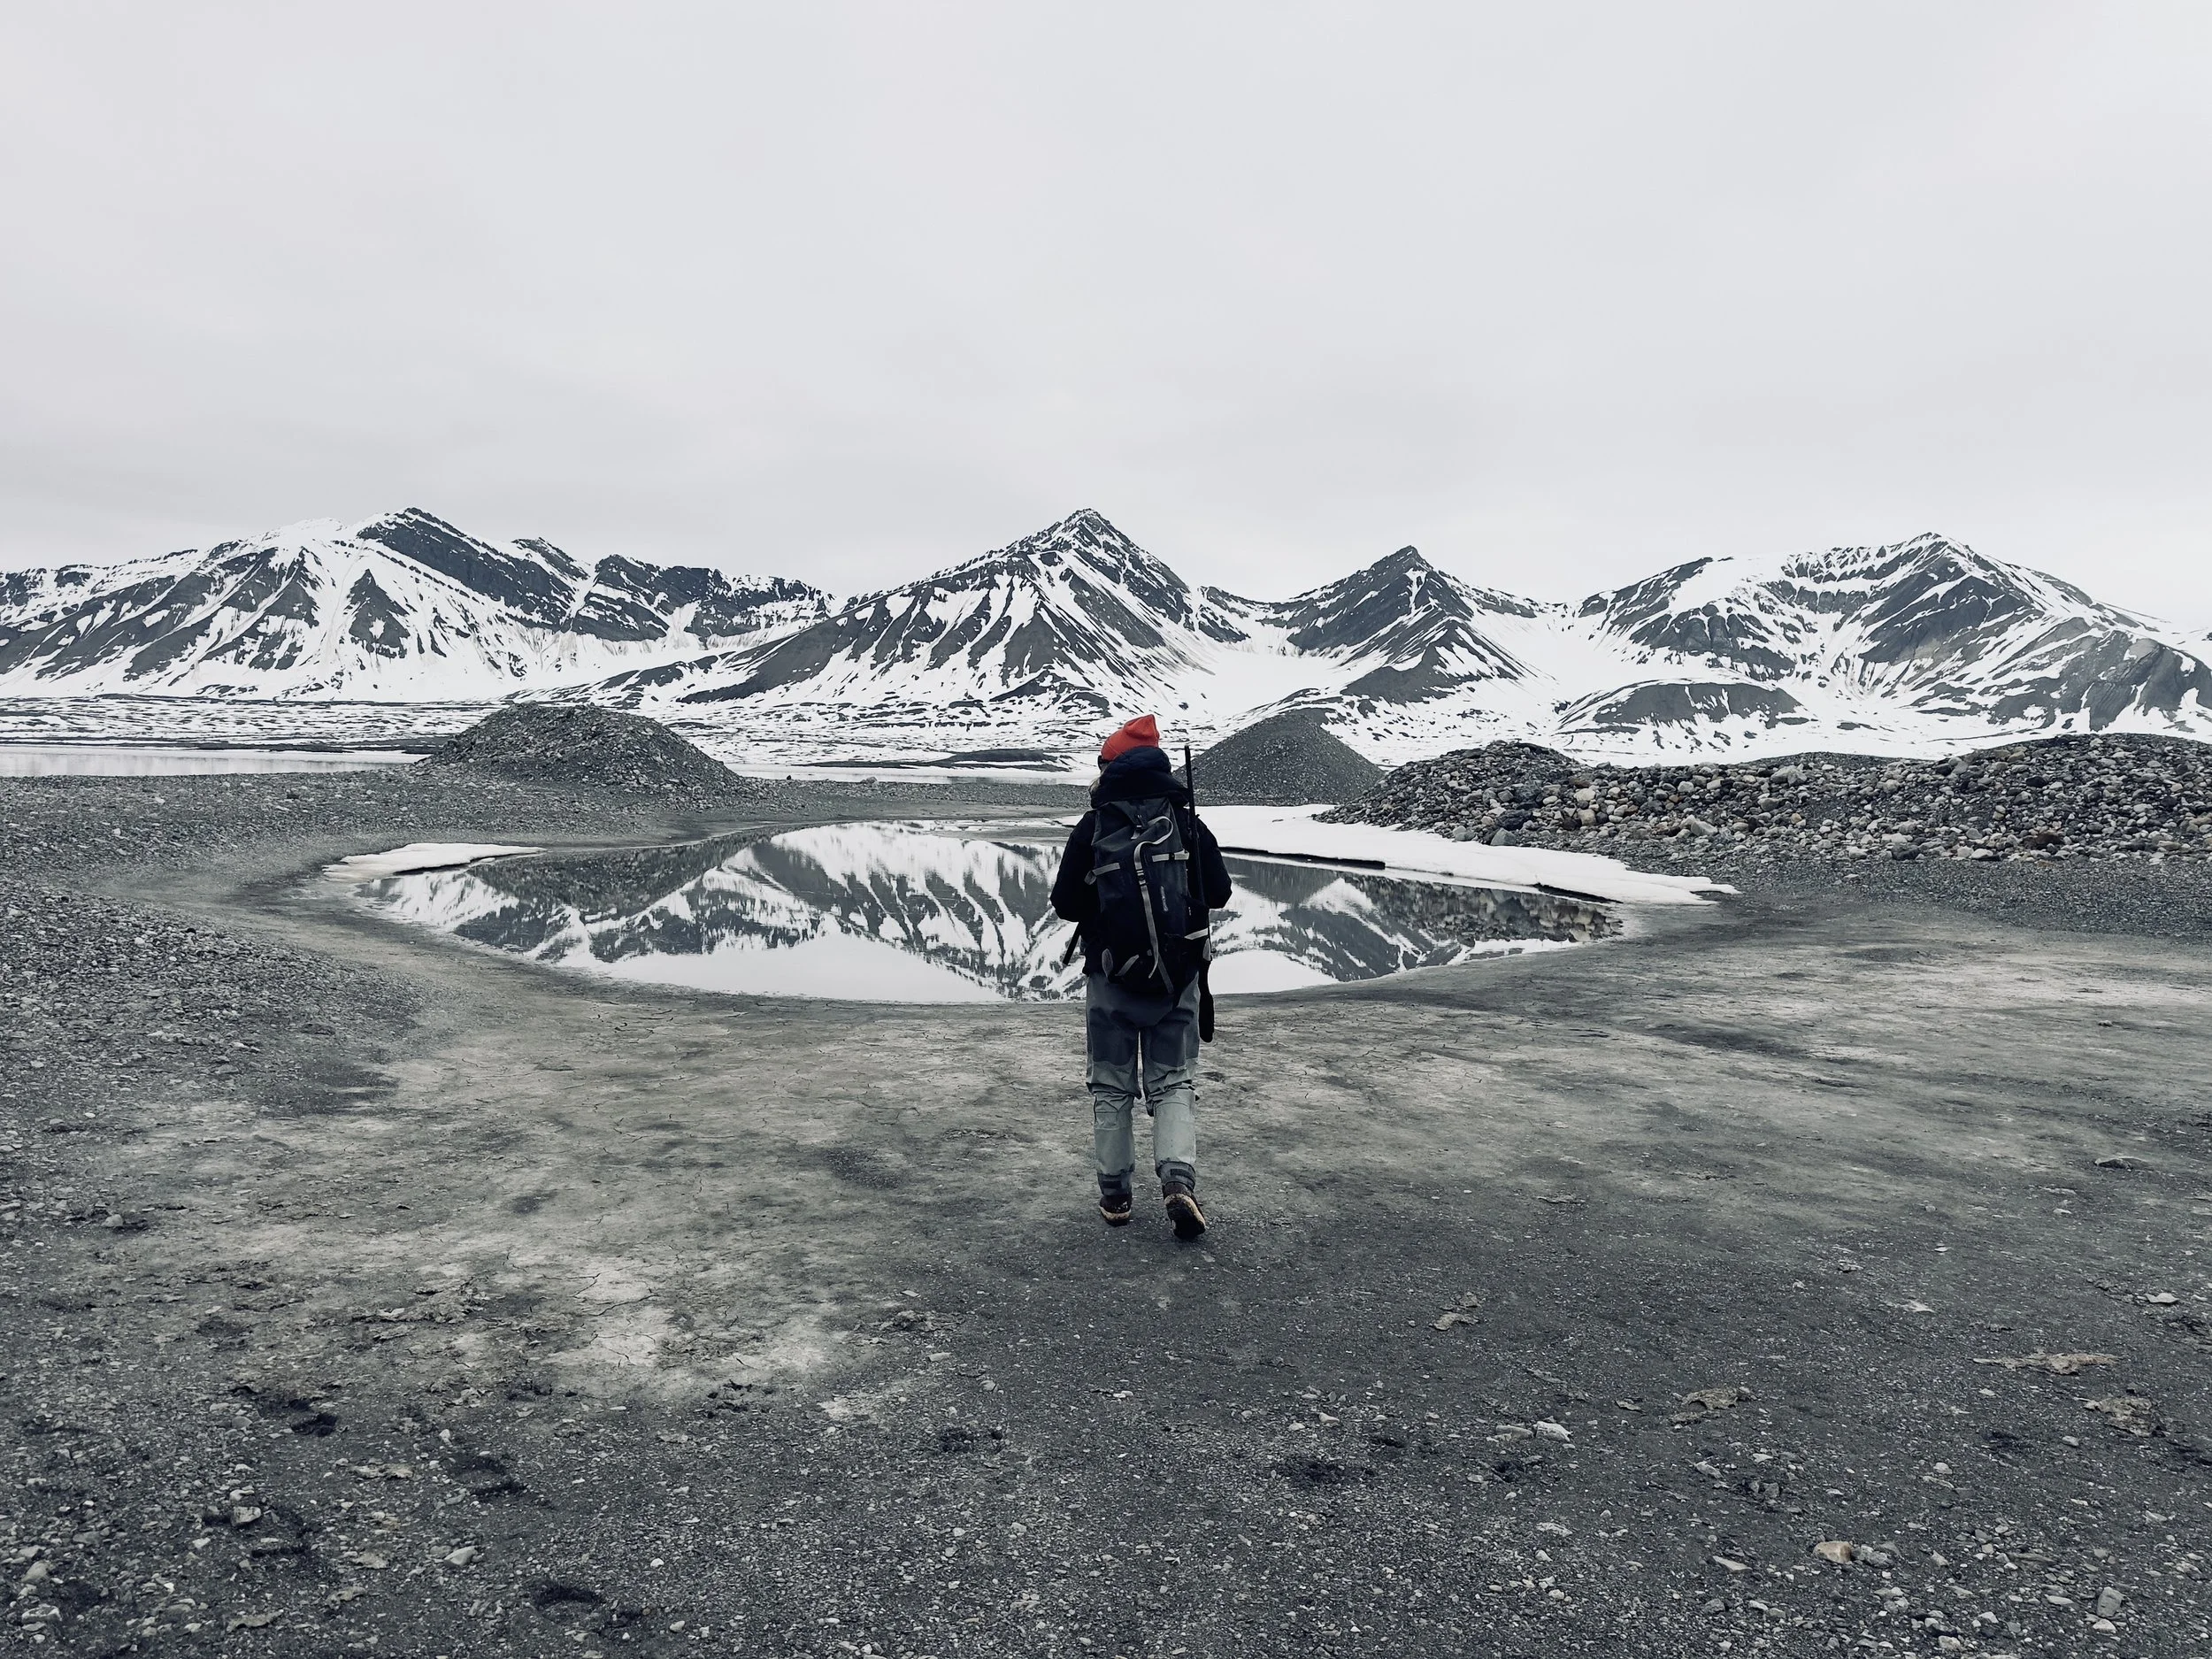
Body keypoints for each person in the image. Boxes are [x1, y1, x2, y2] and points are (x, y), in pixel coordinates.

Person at [1050, 714, 1233, 1239]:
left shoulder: (1095, 826)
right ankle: (1178, 1179)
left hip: (1110, 981)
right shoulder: (1187, 821)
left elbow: (1065, 905)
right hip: (1178, 979)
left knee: (1111, 1087)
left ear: (1109, 768)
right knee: (1173, 1082)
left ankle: (1115, 1196)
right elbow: (1218, 895)